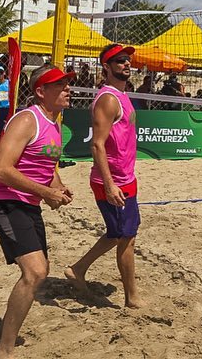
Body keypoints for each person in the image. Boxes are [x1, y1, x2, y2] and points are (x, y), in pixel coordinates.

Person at [0, 64, 73, 359]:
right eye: (60, 85)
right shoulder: (26, 120)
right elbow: (0, 170)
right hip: (4, 202)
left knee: (40, 273)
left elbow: (47, 168)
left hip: (28, 203)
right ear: (40, 91)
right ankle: (4, 351)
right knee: (35, 272)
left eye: (67, 84)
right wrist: (46, 192)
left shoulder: (56, 123)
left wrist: (57, 187)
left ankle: (7, 340)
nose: (67, 89)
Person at [66, 44, 142, 308]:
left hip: (124, 176)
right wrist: (109, 185)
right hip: (111, 180)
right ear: (106, 67)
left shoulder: (122, 94)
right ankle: (132, 298)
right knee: (126, 237)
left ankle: (78, 269)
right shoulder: (108, 98)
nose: (126, 63)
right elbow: (97, 144)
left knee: (117, 233)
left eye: (128, 59)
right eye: (119, 60)